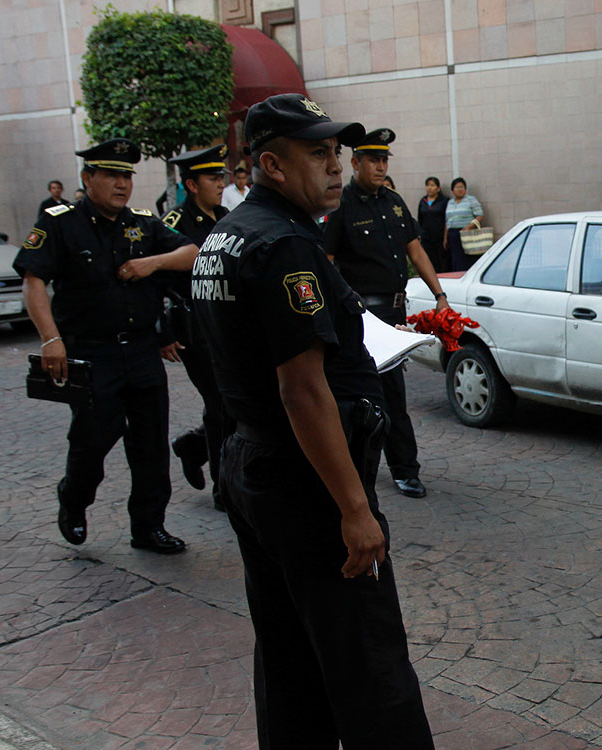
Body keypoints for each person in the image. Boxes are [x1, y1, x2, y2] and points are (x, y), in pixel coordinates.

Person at [190, 94, 434, 748]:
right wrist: (354, 508)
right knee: (371, 668)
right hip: (310, 484)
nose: (335, 166)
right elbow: (302, 391)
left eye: (337, 152)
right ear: (270, 163)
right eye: (317, 154)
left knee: (289, 658)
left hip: (256, 462)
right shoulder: (285, 244)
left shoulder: (226, 233)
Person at [14, 138, 201, 553]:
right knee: (93, 441)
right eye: (112, 175)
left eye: (127, 176)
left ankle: (148, 527)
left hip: (141, 350)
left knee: (151, 445)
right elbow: (33, 282)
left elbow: (191, 253)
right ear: (88, 178)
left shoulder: (143, 222)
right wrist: (51, 339)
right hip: (92, 354)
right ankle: (74, 498)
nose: (122, 185)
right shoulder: (59, 222)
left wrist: (151, 262)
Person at [323, 127, 450, 499]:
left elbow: (416, 250)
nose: (380, 166)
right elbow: (326, 262)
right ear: (355, 162)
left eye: (384, 160)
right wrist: (349, 306)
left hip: (395, 308)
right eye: (373, 160)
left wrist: (439, 294)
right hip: (361, 313)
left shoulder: (394, 202)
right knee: (365, 394)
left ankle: (404, 468)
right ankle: (359, 470)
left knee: (394, 395)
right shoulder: (341, 205)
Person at [161, 145, 233, 508]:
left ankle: (193, 446)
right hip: (193, 326)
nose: (221, 184)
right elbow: (155, 278)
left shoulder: (226, 216)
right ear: (191, 184)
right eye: (212, 178)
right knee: (220, 401)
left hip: (228, 324)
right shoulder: (174, 223)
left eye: (222, 177)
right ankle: (225, 489)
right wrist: (165, 333)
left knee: (233, 399)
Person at [443, 177, 485, 271]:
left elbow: (480, 216)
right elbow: (447, 221)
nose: (460, 190)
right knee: (456, 259)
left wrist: (469, 227)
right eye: (457, 187)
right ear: (453, 190)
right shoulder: (450, 202)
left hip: (466, 233)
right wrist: (445, 238)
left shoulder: (471, 200)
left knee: (467, 259)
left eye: (462, 187)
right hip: (453, 235)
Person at [418, 176, 449, 272]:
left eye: (432, 185)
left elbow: (447, 220)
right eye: (428, 185)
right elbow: (420, 219)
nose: (430, 188)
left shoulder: (444, 201)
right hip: (426, 238)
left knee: (442, 262)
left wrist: (445, 238)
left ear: (438, 188)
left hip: (440, 238)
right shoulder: (423, 201)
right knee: (429, 262)